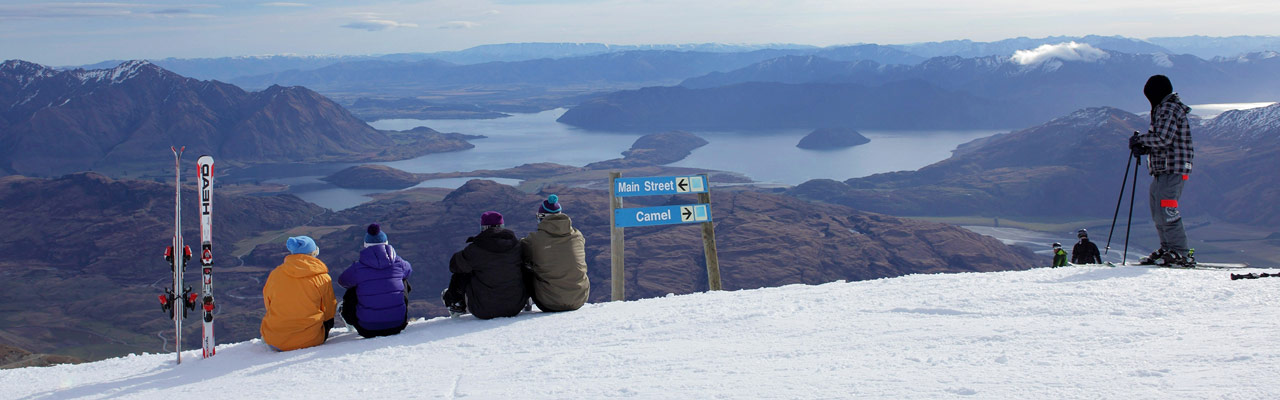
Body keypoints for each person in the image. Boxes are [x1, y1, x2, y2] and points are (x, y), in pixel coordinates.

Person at [442, 211, 529, 319]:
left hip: (483, 310)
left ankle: (456, 304)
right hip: (516, 306)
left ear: (483, 228)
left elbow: (453, 266)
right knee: (526, 266)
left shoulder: (474, 250)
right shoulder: (517, 246)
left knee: (462, 271)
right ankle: (527, 301)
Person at [261, 236, 337, 351]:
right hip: (311, 339)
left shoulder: (275, 274)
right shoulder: (322, 277)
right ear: (313, 252)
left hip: (275, 340)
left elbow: (268, 303)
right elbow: (329, 310)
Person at [338, 223, 412, 338]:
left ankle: (347, 316)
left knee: (353, 288)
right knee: (403, 282)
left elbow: (342, 281)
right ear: (386, 243)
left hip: (367, 328)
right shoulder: (400, 263)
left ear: (365, 245)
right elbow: (409, 271)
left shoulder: (357, 268)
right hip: (397, 325)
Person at [521, 194, 589, 312]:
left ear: (542, 217)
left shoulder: (534, 240)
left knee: (525, 267)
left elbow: (520, 252)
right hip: (580, 299)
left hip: (549, 302)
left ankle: (526, 304)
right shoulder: (577, 235)